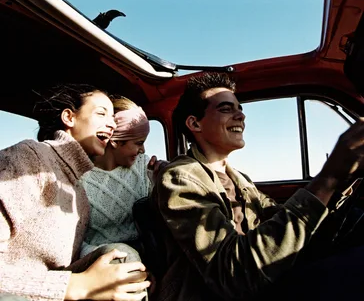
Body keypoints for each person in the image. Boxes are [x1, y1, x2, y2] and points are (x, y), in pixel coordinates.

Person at [150, 72, 364, 301]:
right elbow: (232, 275)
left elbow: (280, 222)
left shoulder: (241, 179)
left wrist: (341, 182)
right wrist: (327, 178)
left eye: (239, 108)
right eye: (226, 109)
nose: (240, 115)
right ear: (194, 123)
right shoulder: (180, 178)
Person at [0, 84, 150, 301]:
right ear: (69, 118)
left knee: (120, 256)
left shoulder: (77, 191)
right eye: (101, 113)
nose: (110, 123)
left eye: (112, 117)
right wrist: (75, 285)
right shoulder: (28, 159)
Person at [80, 96, 166, 259]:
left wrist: (160, 184)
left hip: (149, 253)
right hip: (105, 260)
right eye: (138, 142)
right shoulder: (81, 179)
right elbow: (76, 243)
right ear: (115, 141)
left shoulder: (143, 166)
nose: (143, 149)